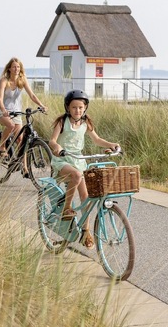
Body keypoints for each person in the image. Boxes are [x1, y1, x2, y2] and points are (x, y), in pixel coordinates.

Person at [48, 89, 120, 250]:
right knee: (76, 174)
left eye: (81, 107)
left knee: (86, 197)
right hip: (62, 160)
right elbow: (52, 141)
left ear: (85, 108)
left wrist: (111, 145)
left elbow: (97, 139)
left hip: (78, 160)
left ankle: (86, 232)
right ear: (68, 108)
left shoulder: (86, 122)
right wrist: (57, 147)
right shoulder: (62, 122)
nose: (77, 110)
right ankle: (67, 208)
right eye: (74, 107)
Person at [0, 57, 47, 155]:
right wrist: (4, 110)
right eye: (14, 67)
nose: (16, 69)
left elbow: (32, 95)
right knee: (11, 125)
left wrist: (41, 105)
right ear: (9, 68)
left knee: (21, 141)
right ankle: (2, 146)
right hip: (1, 109)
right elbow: (0, 99)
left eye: (18, 67)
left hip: (16, 111)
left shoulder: (22, 80)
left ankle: (24, 167)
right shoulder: (4, 80)